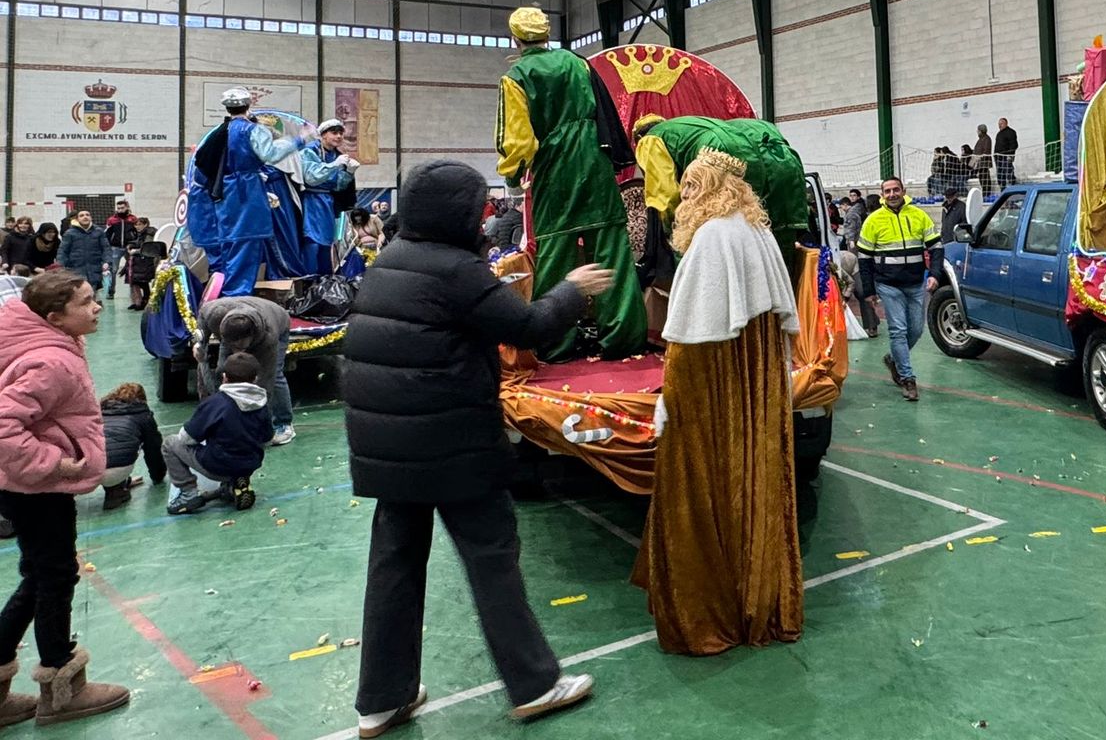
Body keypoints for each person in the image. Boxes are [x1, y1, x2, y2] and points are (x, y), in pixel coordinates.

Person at [342, 160, 607, 734]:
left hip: (388, 449)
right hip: (452, 445)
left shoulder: (390, 261)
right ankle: (536, 685)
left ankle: (381, 699)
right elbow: (530, 326)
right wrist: (572, 291)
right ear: (460, 213)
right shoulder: (456, 270)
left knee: (394, 566)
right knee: (492, 558)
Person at [631, 150, 804, 655]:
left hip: (710, 386)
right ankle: (756, 600)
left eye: (693, 187)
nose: (685, 198)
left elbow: (689, 339)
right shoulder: (758, 233)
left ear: (716, 189)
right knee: (753, 475)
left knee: (702, 483)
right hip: (754, 384)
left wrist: (670, 400)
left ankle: (711, 610)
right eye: (683, 187)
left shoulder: (710, 239)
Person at [0, 270, 130, 725]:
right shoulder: (52, 362)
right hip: (38, 488)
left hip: (22, 487)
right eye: (86, 302)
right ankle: (62, 684)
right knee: (55, 577)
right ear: (55, 316)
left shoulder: (43, 343)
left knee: (39, 575)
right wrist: (53, 462)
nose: (97, 308)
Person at [494, 5, 645, 361]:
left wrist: (514, 177)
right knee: (612, 252)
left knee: (556, 254)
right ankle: (623, 340)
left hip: (556, 169)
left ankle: (557, 344)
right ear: (547, 36)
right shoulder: (578, 62)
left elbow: (518, 141)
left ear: (515, 38)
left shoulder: (517, 76)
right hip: (595, 161)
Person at [631, 114, 808, 279]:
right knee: (770, 238)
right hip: (781, 157)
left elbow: (665, 194)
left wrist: (672, 233)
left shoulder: (649, 140)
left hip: (717, 153)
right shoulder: (689, 126)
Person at [192, 87, 314, 297]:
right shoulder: (252, 130)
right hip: (247, 191)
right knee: (247, 243)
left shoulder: (221, 132)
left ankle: (226, 294)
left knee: (230, 243)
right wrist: (299, 139)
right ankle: (237, 297)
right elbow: (270, 154)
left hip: (225, 192)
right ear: (249, 106)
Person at [858, 177, 943, 401]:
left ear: (903, 191)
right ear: (882, 194)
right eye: (888, 191)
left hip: (916, 284)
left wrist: (935, 274)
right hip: (888, 285)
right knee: (898, 330)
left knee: (916, 330)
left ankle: (894, 361)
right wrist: (869, 291)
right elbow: (864, 259)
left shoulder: (919, 215)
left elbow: (936, 247)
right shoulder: (873, 220)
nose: (892, 194)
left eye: (896, 189)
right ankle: (907, 378)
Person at [164, 352, 271, 515]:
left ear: (224, 377)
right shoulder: (262, 403)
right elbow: (267, 437)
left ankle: (188, 492)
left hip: (218, 465)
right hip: (251, 462)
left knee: (170, 443)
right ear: (255, 378)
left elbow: (186, 438)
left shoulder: (215, 403)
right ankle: (234, 482)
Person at [196, 296, 295, 446]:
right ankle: (222, 417)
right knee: (222, 371)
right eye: (233, 347)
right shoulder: (215, 315)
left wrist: (259, 426)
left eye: (241, 348)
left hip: (277, 319)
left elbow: (265, 384)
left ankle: (284, 423)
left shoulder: (268, 336)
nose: (237, 352)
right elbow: (202, 317)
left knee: (275, 376)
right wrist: (200, 345)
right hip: (234, 326)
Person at [301, 120, 359, 276]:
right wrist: (334, 165)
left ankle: (325, 281)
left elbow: (338, 185)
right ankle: (309, 282)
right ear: (323, 135)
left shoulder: (336, 155)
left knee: (327, 244)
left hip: (327, 203)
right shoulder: (310, 151)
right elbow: (311, 177)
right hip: (311, 201)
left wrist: (349, 173)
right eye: (334, 132)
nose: (339, 136)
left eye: (341, 133)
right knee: (312, 243)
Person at [96, 383, 165, 510]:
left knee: (106, 450)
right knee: (119, 453)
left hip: (89, 470)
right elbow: (153, 450)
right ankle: (117, 489)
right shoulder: (143, 415)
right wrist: (158, 477)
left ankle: (116, 486)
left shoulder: (100, 411)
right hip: (118, 468)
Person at [56, 211, 111, 301]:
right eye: (81, 215)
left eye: (87, 215)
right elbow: (63, 251)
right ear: (77, 219)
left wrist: (107, 261)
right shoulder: (70, 233)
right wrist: (60, 266)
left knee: (92, 293)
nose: (85, 217)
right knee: (78, 294)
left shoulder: (99, 232)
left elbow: (106, 248)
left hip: (95, 269)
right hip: (75, 269)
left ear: (91, 218)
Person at [103, 200, 137, 303]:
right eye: (118, 208)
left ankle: (134, 292)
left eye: (122, 208)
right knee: (113, 270)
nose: (120, 210)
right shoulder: (112, 220)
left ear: (127, 207)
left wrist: (134, 244)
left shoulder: (133, 219)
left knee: (132, 269)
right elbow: (107, 234)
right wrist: (107, 247)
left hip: (129, 248)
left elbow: (137, 232)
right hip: (115, 248)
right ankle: (111, 291)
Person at [994, 118, 1019, 188]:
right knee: (1000, 175)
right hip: (998, 158)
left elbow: (1014, 145)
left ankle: (1013, 186)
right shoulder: (999, 134)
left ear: (1006, 123)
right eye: (999, 124)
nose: (999, 126)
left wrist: (1010, 155)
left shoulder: (1011, 132)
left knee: (1008, 172)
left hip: (1006, 157)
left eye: (1001, 124)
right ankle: (1002, 188)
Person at [972, 124, 995, 194]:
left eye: (978, 130)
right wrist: (972, 163)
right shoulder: (980, 139)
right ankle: (984, 192)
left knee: (985, 178)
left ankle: (986, 192)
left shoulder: (987, 139)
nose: (977, 132)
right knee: (981, 178)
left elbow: (986, 151)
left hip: (984, 163)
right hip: (979, 163)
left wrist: (980, 158)